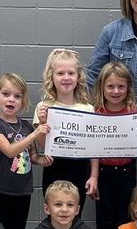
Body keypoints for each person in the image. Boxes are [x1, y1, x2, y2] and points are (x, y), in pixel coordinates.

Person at [0, 73, 50, 229]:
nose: (11, 99)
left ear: (23, 100)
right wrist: (35, 134)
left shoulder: (26, 125)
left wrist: (43, 160)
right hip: (3, 188)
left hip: (23, 189)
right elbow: (10, 150)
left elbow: (32, 156)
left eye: (17, 96)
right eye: (6, 94)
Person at [91, 61, 137, 229]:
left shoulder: (133, 112)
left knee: (124, 216)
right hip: (103, 171)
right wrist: (94, 176)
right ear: (102, 87)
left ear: (128, 88)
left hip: (128, 171)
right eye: (110, 87)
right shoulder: (96, 112)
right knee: (104, 217)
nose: (116, 91)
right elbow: (92, 148)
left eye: (121, 86)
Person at [34, 48, 97, 208]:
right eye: (60, 73)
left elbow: (94, 147)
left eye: (71, 73)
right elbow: (42, 143)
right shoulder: (44, 107)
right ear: (51, 77)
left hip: (79, 169)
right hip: (54, 167)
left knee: (75, 213)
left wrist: (94, 176)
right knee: (54, 213)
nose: (66, 78)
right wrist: (42, 123)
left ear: (79, 77)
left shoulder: (88, 108)